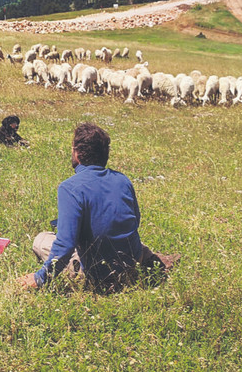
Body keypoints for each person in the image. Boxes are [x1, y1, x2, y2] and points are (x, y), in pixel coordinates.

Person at [17, 122, 178, 293]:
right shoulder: (123, 180)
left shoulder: (70, 188)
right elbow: (134, 221)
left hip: (97, 274)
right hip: (132, 261)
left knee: (41, 239)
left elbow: (65, 245)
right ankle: (149, 260)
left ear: (77, 153)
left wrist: (40, 277)